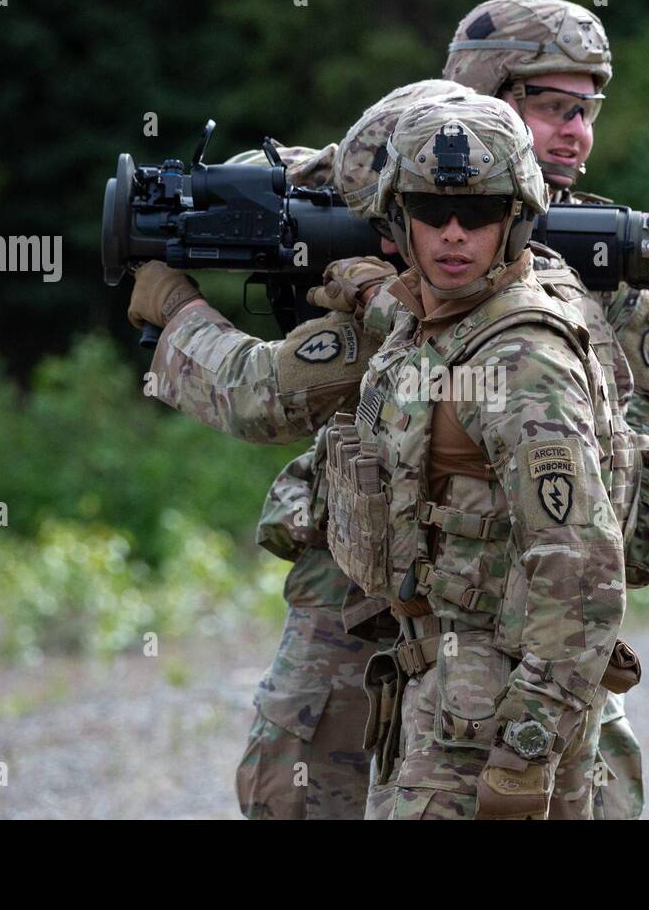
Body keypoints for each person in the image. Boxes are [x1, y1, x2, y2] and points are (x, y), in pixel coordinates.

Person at [128, 80, 464, 819]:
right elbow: (296, 173)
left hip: (380, 593)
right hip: (396, 578)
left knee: (306, 784)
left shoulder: (406, 304)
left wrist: (175, 308)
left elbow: (258, 392)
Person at [327, 92, 626, 819]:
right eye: (431, 211)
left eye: (481, 213)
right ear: (398, 221)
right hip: (442, 692)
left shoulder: (523, 357)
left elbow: (582, 567)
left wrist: (526, 749)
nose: (453, 234)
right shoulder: (433, 323)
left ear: (517, 219)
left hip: (493, 714)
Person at [443, 0, 649, 818]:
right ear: (481, 98)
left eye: (584, 111)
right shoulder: (399, 230)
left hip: (547, 621)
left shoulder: (618, 270)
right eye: (550, 107)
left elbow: (638, 513)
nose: (574, 132)